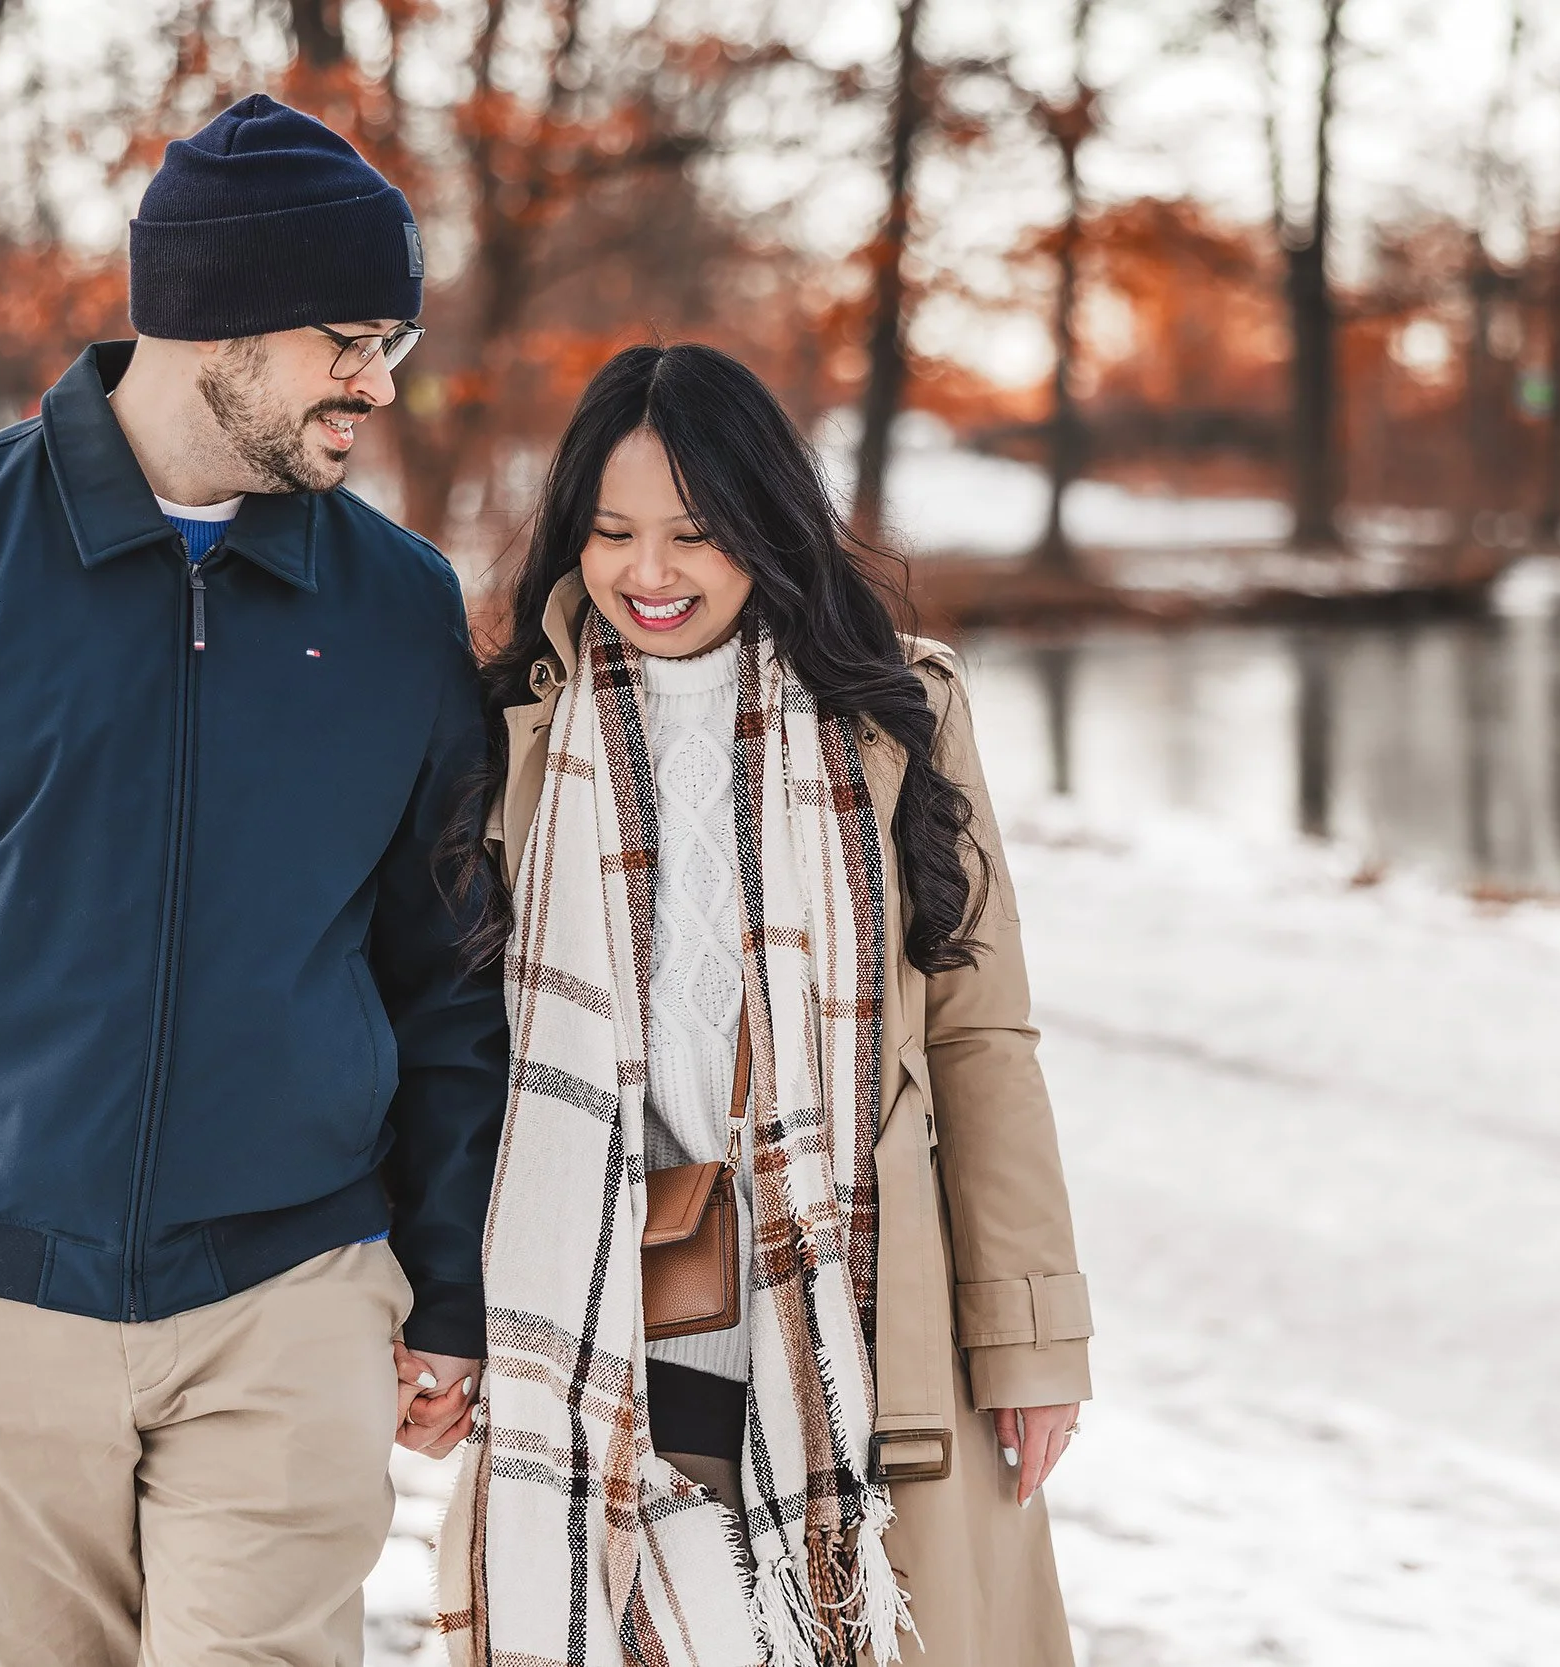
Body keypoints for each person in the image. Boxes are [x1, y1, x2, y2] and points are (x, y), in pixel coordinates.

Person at [0, 94, 504, 1666]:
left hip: (292, 1286)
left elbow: (443, 969)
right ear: (212, 316)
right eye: (349, 336)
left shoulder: (398, 604)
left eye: (392, 342)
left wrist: (447, 1281)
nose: (375, 383)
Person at [436, 342, 1094, 1667]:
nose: (650, 573)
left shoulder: (895, 716)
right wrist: (434, 1314)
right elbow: (452, 1048)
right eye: (614, 533)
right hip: (605, 1310)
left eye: (695, 532)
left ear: (767, 528)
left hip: (856, 1306)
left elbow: (979, 1034)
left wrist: (1030, 1337)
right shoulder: (505, 729)